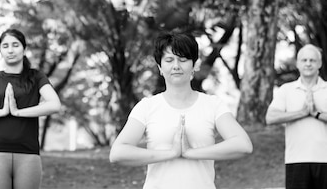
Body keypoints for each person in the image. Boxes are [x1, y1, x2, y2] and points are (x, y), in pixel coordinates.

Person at [109, 31, 253, 189]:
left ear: (194, 65)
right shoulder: (147, 106)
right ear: (160, 67)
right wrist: (171, 153)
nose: (176, 66)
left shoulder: (212, 104)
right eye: (169, 60)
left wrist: (190, 152)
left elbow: (243, 145)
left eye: (183, 59)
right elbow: (118, 153)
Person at [0, 28, 61, 189]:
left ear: (24, 49)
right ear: (0, 50)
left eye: (15, 45)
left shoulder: (37, 77)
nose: (10, 50)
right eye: (5, 46)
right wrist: (1, 112)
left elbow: (54, 104)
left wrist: (18, 112)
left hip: (28, 153)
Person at [265, 44, 327, 189]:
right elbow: (270, 118)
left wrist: (317, 114)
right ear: (297, 63)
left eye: (312, 60)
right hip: (296, 161)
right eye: (304, 60)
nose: (308, 63)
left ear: (320, 63)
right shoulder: (286, 90)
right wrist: (302, 113)